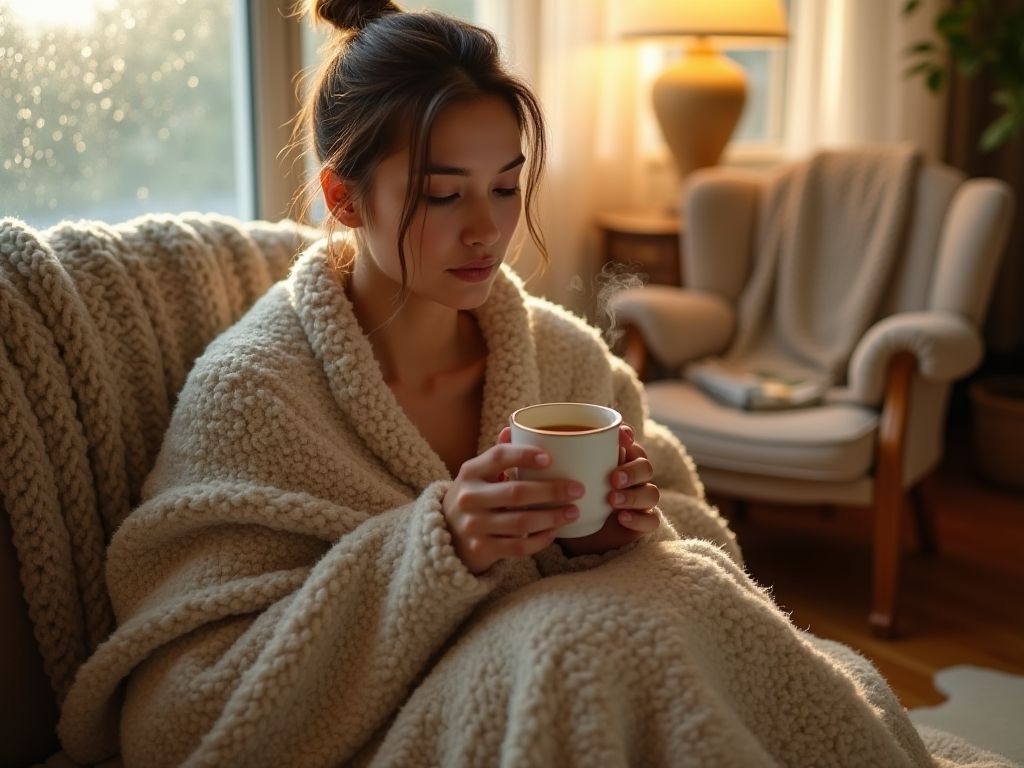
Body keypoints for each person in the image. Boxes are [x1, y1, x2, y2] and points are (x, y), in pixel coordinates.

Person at [55, 3, 1003, 767]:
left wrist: (627, 532)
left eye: (505, 187)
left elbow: (706, 572)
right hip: (415, 722)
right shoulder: (259, 392)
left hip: (596, 681)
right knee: (587, 646)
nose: (486, 230)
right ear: (345, 199)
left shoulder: (565, 359)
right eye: (442, 194)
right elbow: (182, 713)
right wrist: (435, 550)